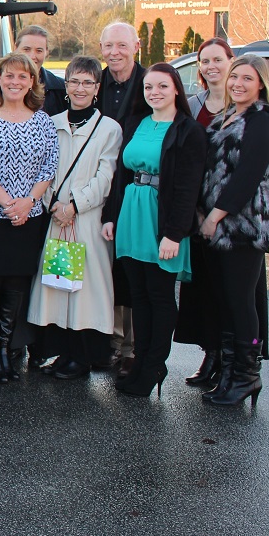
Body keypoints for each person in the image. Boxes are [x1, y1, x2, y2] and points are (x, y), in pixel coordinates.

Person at [102, 62, 206, 399]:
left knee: (160, 297)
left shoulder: (187, 130)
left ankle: (154, 367)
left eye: (162, 86)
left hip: (161, 222)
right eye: (149, 87)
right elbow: (120, 175)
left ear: (177, 88)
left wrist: (174, 234)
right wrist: (111, 216)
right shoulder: (138, 123)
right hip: (132, 215)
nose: (155, 93)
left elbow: (188, 188)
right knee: (139, 296)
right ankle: (141, 361)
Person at [25, 56, 123, 379]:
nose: (80, 88)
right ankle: (63, 352)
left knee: (85, 291)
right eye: (74, 81)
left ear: (97, 88)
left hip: (86, 220)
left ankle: (82, 357)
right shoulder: (51, 124)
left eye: (87, 83)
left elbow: (105, 177)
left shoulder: (109, 129)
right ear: (65, 86)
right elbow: (43, 170)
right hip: (56, 217)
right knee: (58, 285)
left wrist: (74, 206)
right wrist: (54, 203)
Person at [0, 52, 59, 382]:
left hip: (28, 216)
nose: (15, 82)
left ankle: (6, 348)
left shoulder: (43, 121)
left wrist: (28, 201)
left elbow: (49, 166)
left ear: (32, 82)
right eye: (9, 75)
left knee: (17, 282)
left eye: (23, 76)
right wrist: (8, 203)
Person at [197, 54, 269, 407]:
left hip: (245, 226)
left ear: (260, 83)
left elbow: (247, 176)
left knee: (241, 301)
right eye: (235, 78)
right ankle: (230, 371)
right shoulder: (225, 116)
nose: (238, 84)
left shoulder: (264, 120)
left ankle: (247, 375)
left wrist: (214, 216)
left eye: (247, 79)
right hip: (219, 225)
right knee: (225, 300)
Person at [176, 37, 237, 385]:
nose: (211, 66)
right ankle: (210, 355)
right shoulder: (194, 103)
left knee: (232, 292)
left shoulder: (244, 104)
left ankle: (235, 361)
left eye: (218, 59)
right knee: (203, 289)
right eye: (204, 60)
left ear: (231, 61)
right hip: (197, 211)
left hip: (234, 214)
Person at [97, 21, 147, 377]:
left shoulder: (150, 85)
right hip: (99, 183)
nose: (115, 52)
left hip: (134, 187)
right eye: (108, 46)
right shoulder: (93, 82)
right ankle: (108, 343)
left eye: (121, 45)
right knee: (103, 266)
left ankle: (130, 347)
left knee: (130, 269)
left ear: (136, 46)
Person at [0, 25, 67, 117]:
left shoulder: (60, 88)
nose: (32, 56)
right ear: (15, 48)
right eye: (26, 49)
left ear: (47, 52)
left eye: (39, 51)